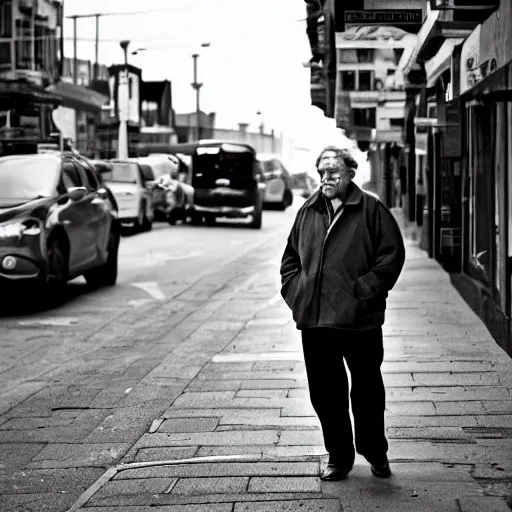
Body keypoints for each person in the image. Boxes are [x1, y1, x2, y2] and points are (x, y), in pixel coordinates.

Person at [280, 145, 405, 481]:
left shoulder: (372, 209)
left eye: (333, 171)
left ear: (351, 173)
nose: (326, 177)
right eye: (322, 172)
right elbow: (291, 258)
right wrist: (297, 293)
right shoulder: (307, 211)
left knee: (366, 389)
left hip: (359, 320)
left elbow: (391, 257)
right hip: (316, 320)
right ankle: (339, 456)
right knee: (326, 392)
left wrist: (362, 292)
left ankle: (375, 451)